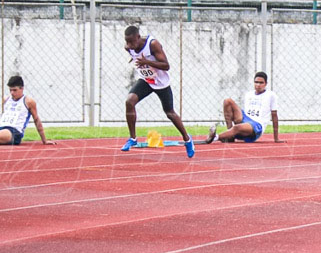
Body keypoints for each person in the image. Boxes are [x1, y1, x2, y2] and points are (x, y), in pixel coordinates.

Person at [119, 26, 194, 158]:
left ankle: (187, 139)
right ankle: (133, 138)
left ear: (138, 37)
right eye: (127, 42)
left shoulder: (153, 44)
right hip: (146, 81)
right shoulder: (128, 48)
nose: (129, 45)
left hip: (161, 83)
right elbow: (134, 55)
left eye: (131, 42)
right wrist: (137, 60)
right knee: (129, 101)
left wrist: (146, 62)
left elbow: (166, 65)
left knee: (170, 113)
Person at [203, 71, 283, 144]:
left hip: (256, 125)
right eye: (256, 82)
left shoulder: (271, 95)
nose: (258, 85)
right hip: (246, 118)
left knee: (237, 128)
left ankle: (215, 137)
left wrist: (276, 138)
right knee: (227, 101)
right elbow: (244, 114)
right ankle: (230, 135)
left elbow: (274, 116)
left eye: (261, 83)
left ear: (266, 84)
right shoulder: (249, 94)